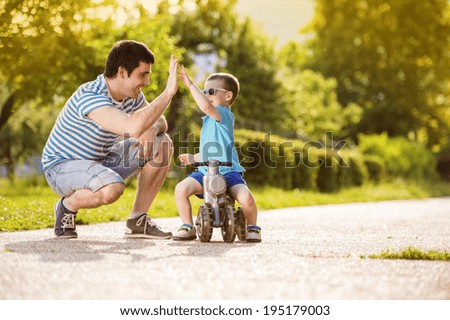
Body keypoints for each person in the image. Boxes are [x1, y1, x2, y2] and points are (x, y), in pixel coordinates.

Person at [41, 40, 178, 239]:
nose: (147, 82)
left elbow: (161, 122)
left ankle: (137, 220)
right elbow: (130, 127)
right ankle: (67, 206)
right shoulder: (90, 95)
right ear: (122, 71)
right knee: (113, 188)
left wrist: (150, 128)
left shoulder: (132, 96)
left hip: (99, 161)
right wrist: (167, 94)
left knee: (162, 143)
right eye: (143, 74)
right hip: (61, 167)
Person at [173, 66, 261, 242]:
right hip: (205, 172)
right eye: (204, 91)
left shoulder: (223, 114)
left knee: (246, 197)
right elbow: (210, 151)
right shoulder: (208, 121)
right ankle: (187, 226)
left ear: (227, 96)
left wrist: (191, 85)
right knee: (180, 189)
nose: (206, 95)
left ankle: (253, 227)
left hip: (228, 173)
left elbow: (205, 106)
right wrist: (193, 158)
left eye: (211, 91)